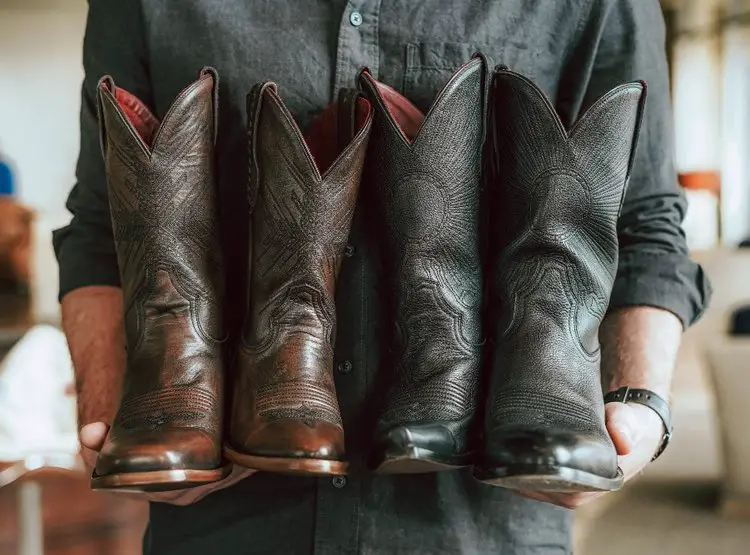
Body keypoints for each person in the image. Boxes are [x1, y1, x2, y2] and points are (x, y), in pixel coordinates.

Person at [53, 1, 711, 553]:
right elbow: (99, 230)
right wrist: (112, 411)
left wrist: (640, 408)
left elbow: (646, 224)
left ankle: (474, 369)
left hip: (484, 515)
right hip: (224, 516)